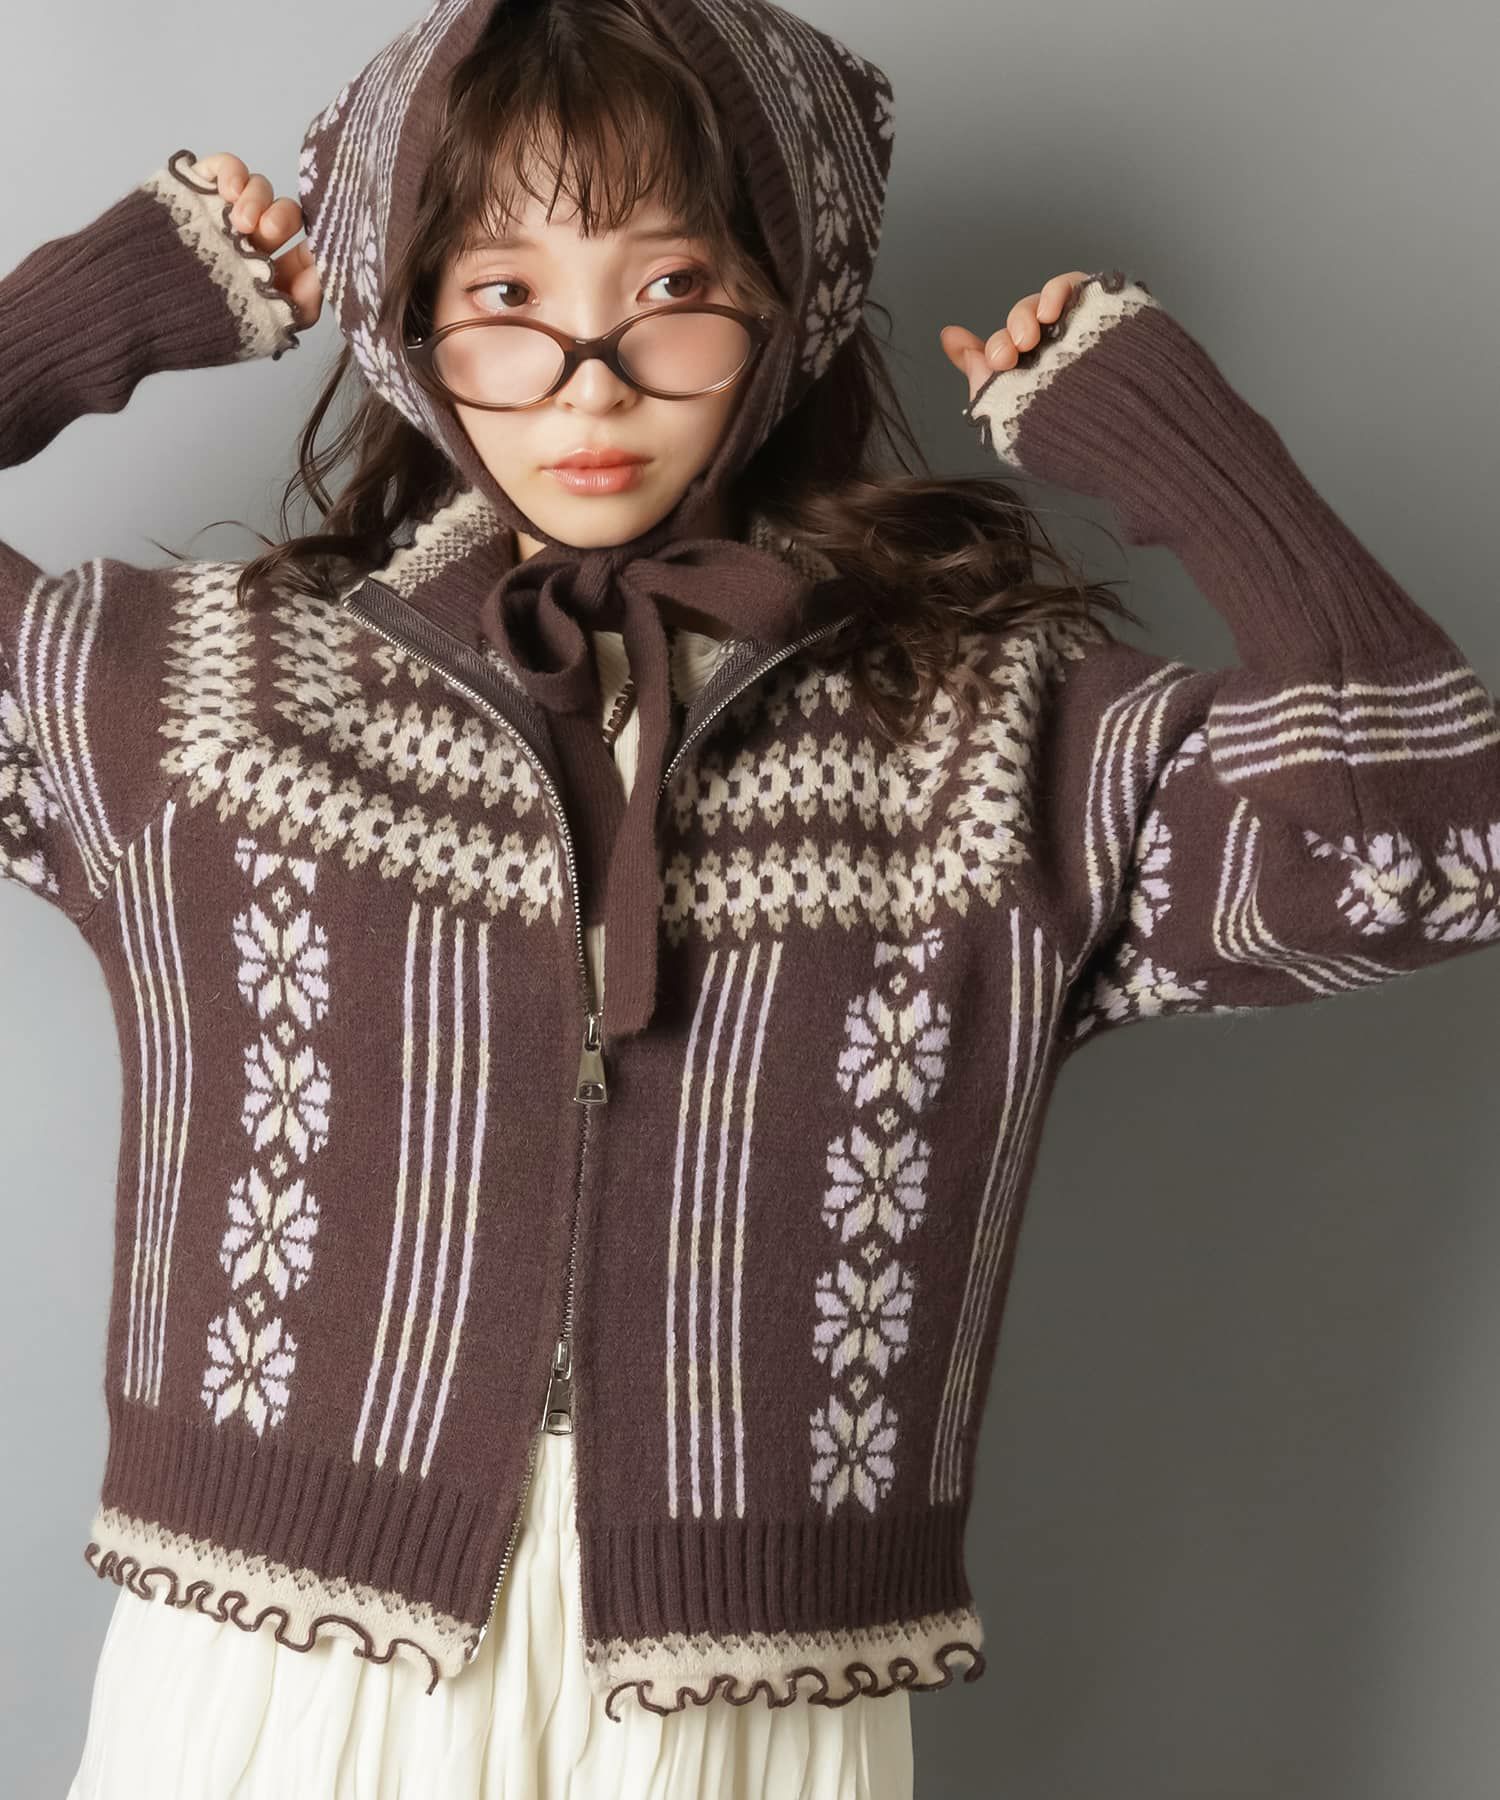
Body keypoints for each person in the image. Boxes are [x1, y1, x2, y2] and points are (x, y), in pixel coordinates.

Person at [1, 0, 1494, 1796]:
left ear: (788, 313)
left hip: (744, 1698)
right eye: (504, 295)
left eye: (672, 288)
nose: (592, 379)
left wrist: (1192, 454)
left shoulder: (984, 743)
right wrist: (88, 315)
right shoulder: (209, 706)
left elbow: (1428, 852)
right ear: (409, 325)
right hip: (275, 1662)